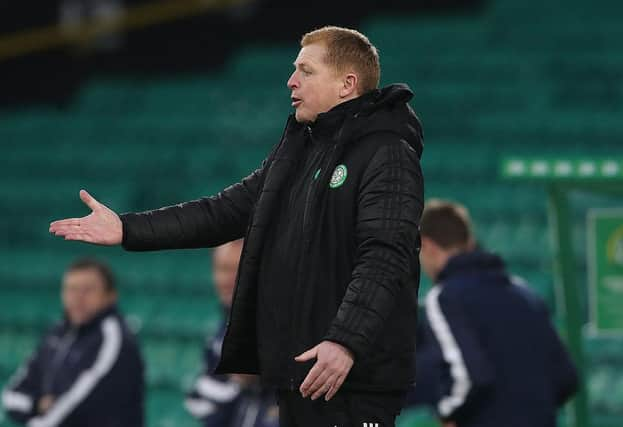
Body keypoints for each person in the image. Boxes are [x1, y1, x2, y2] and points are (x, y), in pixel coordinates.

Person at [49, 25, 424, 427]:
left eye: (306, 70)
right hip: (301, 373)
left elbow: (385, 257)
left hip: (349, 379)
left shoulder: (387, 154)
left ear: (347, 83)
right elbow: (223, 211)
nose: (291, 80)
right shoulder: (299, 150)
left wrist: (345, 341)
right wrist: (128, 228)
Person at [414, 199, 578, 427]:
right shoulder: (523, 292)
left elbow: (471, 377)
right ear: (469, 241)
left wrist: (447, 411)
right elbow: (566, 377)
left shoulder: (445, 298)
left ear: (428, 245)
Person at [2, 258, 144, 427]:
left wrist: (41, 417)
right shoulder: (56, 334)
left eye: (88, 290)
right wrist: (36, 405)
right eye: (71, 289)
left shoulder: (115, 338)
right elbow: (11, 396)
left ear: (110, 296)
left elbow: (79, 404)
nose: (77, 297)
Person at [185, 240, 279, 427]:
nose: (225, 279)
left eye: (235, 270)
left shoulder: (278, 317)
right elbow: (201, 398)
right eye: (221, 269)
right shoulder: (224, 324)